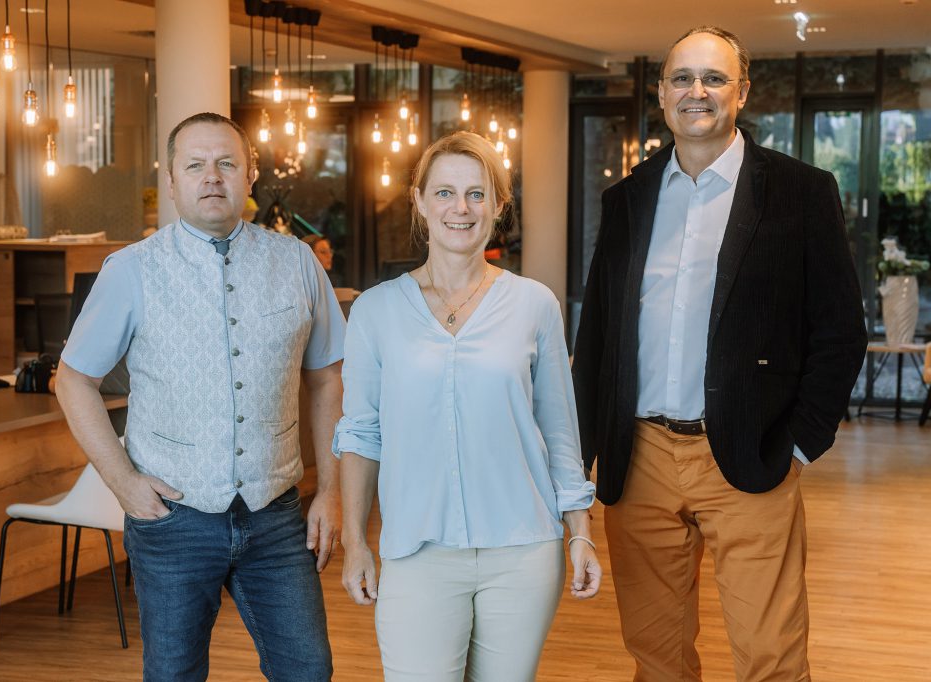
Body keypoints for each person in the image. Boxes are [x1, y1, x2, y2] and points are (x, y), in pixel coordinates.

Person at [572, 27, 867, 681]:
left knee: (771, 658)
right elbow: (598, 339)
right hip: (639, 458)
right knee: (656, 657)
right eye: (682, 78)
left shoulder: (800, 192)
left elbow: (841, 330)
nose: (696, 91)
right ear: (661, 93)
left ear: (742, 92)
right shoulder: (626, 199)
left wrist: (799, 443)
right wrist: (582, 458)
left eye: (713, 78)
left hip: (751, 451)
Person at [56, 112, 345, 682]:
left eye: (226, 163)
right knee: (174, 675)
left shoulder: (298, 262)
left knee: (309, 670)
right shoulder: (131, 271)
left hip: (276, 516)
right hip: (174, 521)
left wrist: (331, 491)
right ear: (171, 180)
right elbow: (72, 380)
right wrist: (124, 483)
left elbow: (328, 379)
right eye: (195, 165)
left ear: (250, 175)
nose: (212, 176)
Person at [336, 131, 601, 682]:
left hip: (523, 550)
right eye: (445, 193)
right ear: (419, 200)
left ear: (498, 206)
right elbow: (361, 433)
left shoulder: (534, 304)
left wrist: (580, 532)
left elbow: (559, 431)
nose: (461, 208)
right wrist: (355, 541)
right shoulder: (376, 311)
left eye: (477, 194)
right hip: (418, 551)